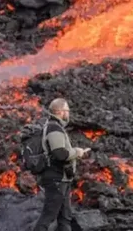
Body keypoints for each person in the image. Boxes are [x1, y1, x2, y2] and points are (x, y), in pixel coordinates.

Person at [32, 98, 91, 231]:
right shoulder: (54, 128)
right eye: (67, 110)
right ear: (59, 111)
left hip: (62, 179)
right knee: (49, 216)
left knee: (65, 217)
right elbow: (60, 154)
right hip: (56, 179)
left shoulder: (55, 127)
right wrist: (78, 152)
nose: (68, 113)